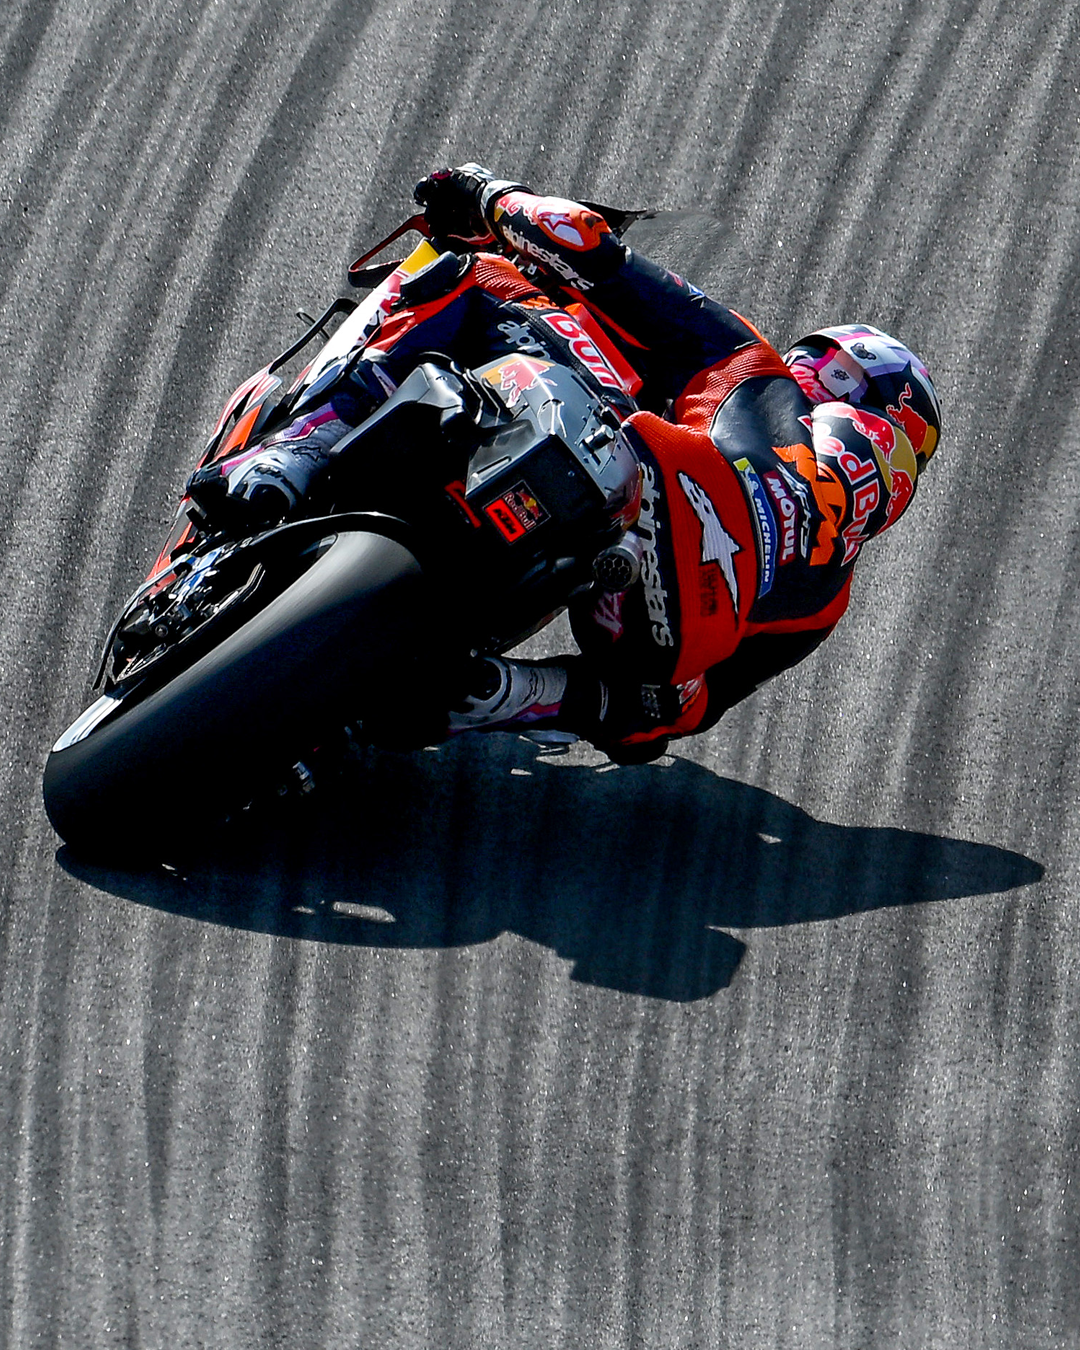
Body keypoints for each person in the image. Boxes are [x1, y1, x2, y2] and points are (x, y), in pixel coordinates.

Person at [189, 164, 941, 764]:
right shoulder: (825, 600)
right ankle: (500, 691)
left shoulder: (751, 370)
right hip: (665, 623)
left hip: (647, 475)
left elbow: (584, 243)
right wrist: (535, 692)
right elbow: (669, 720)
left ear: (828, 370)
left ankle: (301, 448)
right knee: (659, 700)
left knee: (471, 277)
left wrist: (486, 195)